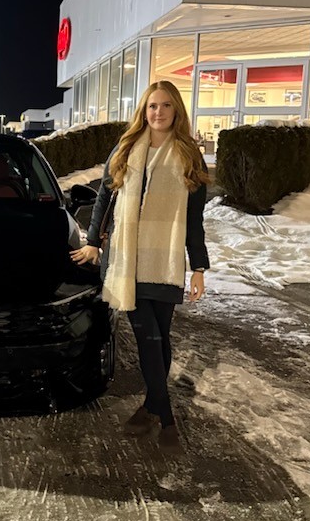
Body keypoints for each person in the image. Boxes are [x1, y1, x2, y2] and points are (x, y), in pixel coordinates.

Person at [70, 80, 210, 450]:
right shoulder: (127, 148)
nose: (158, 112)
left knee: (160, 338)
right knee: (148, 336)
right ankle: (166, 419)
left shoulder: (189, 156)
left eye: (165, 106)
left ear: (176, 110)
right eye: (152, 106)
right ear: (143, 111)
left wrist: (198, 267)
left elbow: (194, 219)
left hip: (164, 260)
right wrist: (92, 244)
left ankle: (150, 406)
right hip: (126, 258)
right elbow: (104, 198)